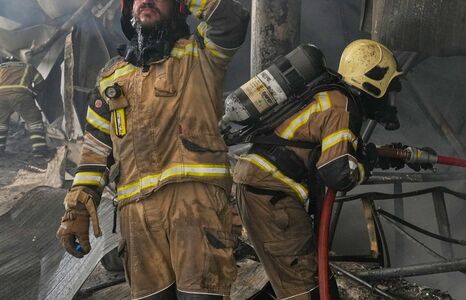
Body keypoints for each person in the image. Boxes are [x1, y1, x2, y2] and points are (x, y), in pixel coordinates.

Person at [55, 0, 249, 299]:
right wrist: (77, 208)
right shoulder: (110, 78)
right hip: (137, 218)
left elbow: (231, 21)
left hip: (195, 207)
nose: (145, 1)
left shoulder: (201, 55)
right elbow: (95, 151)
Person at [231, 39, 411, 300]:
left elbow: (326, 149)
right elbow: (337, 173)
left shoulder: (329, 96)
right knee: (305, 289)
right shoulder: (342, 107)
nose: (391, 99)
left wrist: (373, 155)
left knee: (292, 280)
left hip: (260, 188)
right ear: (373, 81)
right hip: (272, 197)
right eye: (390, 88)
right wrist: (366, 165)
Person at [0, 56, 47, 156]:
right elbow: (40, 83)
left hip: (1, 96)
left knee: (1, 124)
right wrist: (34, 94)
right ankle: (39, 152)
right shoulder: (28, 67)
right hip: (21, 95)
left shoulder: (1, 67)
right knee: (34, 120)